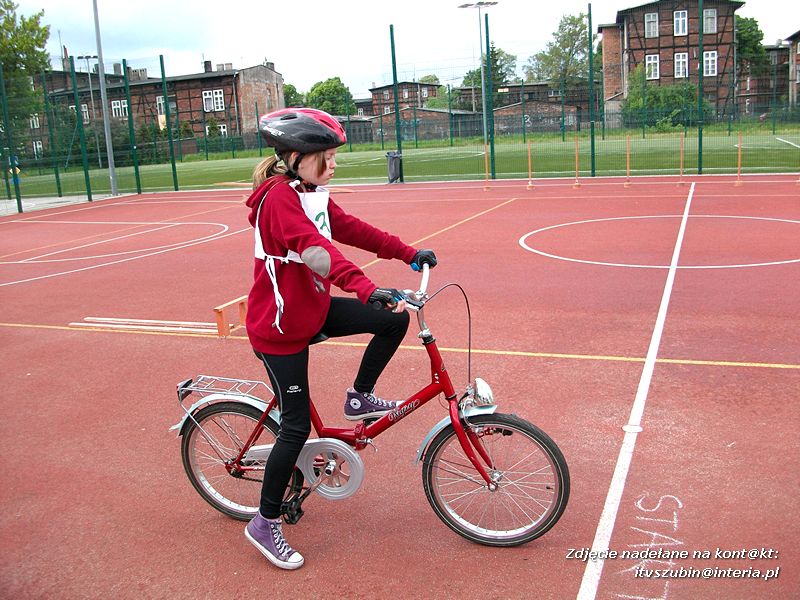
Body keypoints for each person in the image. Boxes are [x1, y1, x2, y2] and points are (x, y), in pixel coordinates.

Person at [242, 108, 437, 570]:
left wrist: (408, 253)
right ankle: (264, 523)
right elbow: (318, 253)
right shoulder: (278, 201)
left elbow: (349, 230)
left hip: (310, 311)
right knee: (295, 428)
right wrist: (368, 289)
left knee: (392, 322)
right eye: (324, 157)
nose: (332, 165)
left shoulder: (308, 193)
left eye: (333, 157)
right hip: (279, 328)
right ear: (294, 157)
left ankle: (360, 397)